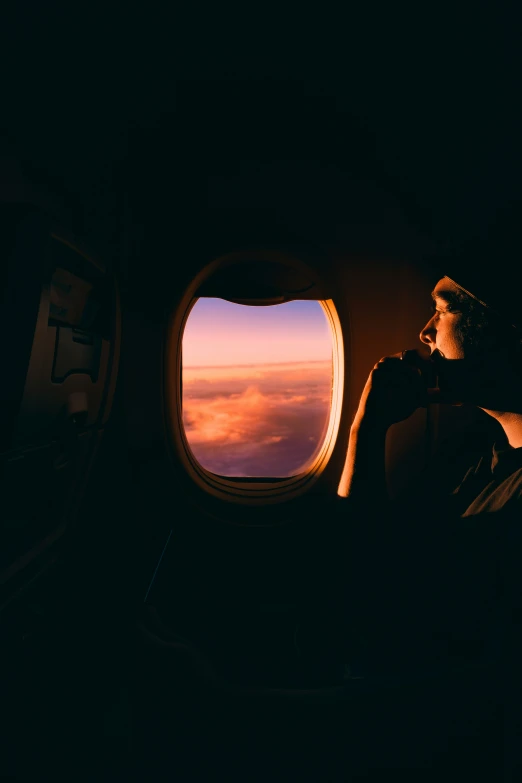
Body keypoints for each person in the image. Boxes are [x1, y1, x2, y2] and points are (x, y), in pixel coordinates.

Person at [334, 202, 522, 675]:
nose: (424, 332)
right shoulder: (483, 456)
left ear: (508, 335)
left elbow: (369, 604)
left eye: (441, 311)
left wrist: (367, 430)